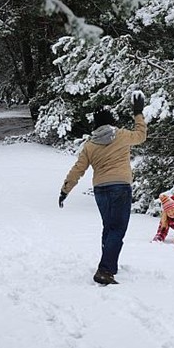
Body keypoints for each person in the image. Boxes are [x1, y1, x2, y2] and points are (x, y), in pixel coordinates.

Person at [59, 91, 148, 285]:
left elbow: (78, 169)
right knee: (117, 229)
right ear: (111, 121)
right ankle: (105, 270)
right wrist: (138, 112)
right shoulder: (122, 136)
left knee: (109, 228)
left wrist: (65, 190)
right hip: (121, 188)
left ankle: (107, 263)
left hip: (101, 190)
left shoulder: (90, 145)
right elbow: (141, 135)